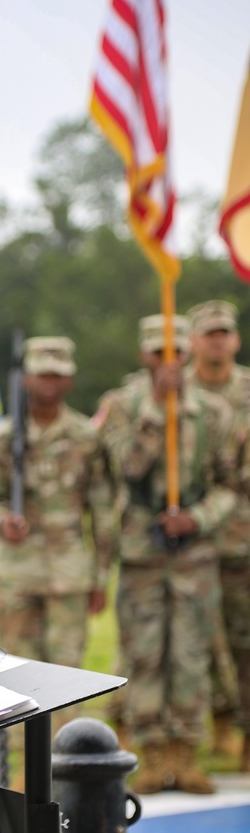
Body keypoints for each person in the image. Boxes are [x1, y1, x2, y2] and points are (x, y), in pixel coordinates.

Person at [100, 314, 240, 794]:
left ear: (188, 354)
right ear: (144, 356)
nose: (168, 363)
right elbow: (126, 467)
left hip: (194, 552)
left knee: (190, 653)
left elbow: (231, 486)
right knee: (145, 654)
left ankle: (188, 751)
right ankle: (152, 751)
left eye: (176, 353)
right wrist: (157, 410)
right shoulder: (123, 406)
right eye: (158, 354)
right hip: (142, 548)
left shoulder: (215, 413)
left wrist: (198, 518)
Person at [0, 336, 116, 672]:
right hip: (16, 572)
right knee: (15, 674)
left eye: (57, 375)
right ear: (26, 379)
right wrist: (2, 521)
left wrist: (100, 579)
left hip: (69, 574)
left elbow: (102, 512)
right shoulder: (1, 438)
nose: (49, 383)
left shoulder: (87, 437)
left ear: (69, 380)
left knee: (67, 673)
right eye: (42, 375)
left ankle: (63, 728)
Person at [185, 299, 250, 767]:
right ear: (193, 341)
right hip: (190, 543)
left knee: (245, 639)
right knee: (196, 641)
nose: (218, 339)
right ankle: (209, 724)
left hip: (243, 540)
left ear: (236, 339)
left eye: (224, 331)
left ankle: (244, 732)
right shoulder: (176, 393)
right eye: (209, 332)